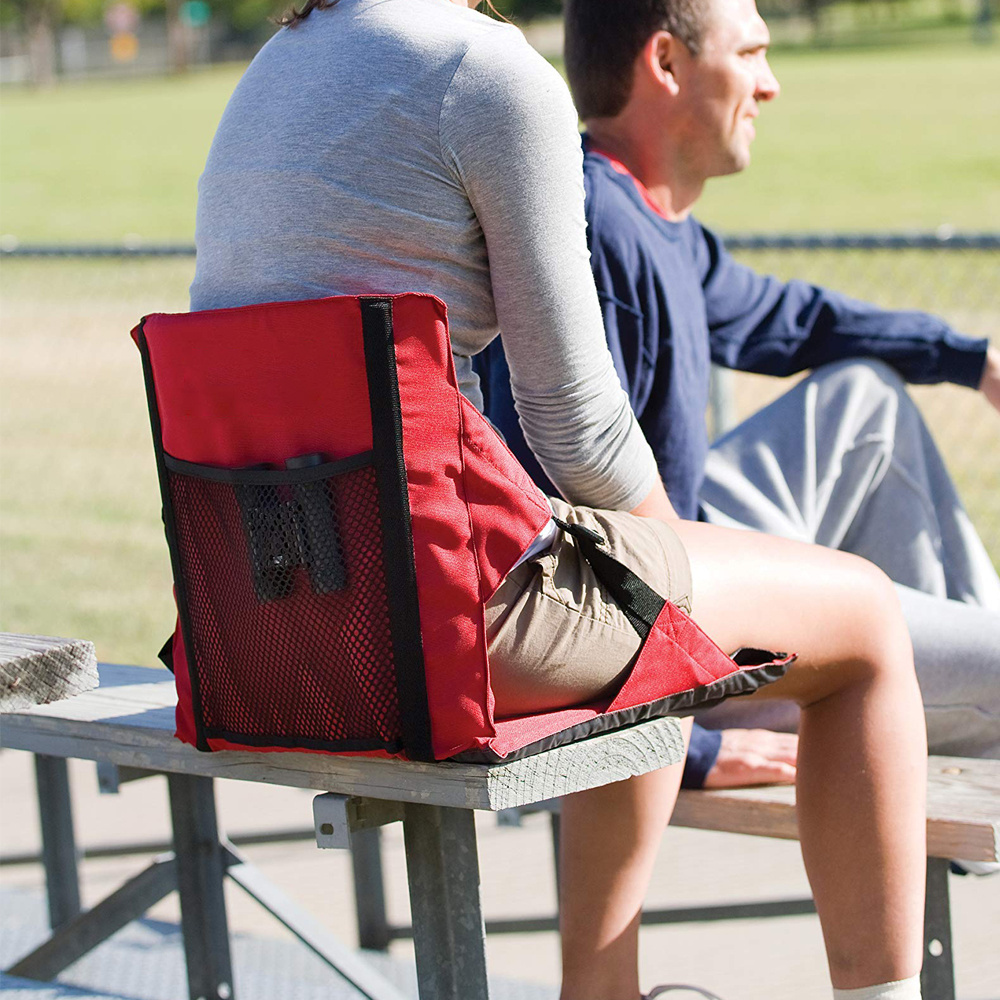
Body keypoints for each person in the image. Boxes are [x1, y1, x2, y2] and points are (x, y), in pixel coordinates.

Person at [190, 1, 928, 996]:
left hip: (262, 633)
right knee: (865, 617)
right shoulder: (488, 71)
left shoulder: (274, 66)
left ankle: (605, 989)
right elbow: (572, 416)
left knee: (633, 620)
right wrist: (679, 575)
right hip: (427, 631)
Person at [476, 0, 1000, 791]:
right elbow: (545, 532)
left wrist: (971, 359)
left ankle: (969, 665)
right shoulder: (590, 232)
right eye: (751, 53)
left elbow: (793, 320)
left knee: (864, 398)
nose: (771, 84)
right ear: (667, 64)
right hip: (670, 626)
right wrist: (692, 752)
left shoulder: (654, 222)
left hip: (692, 545)